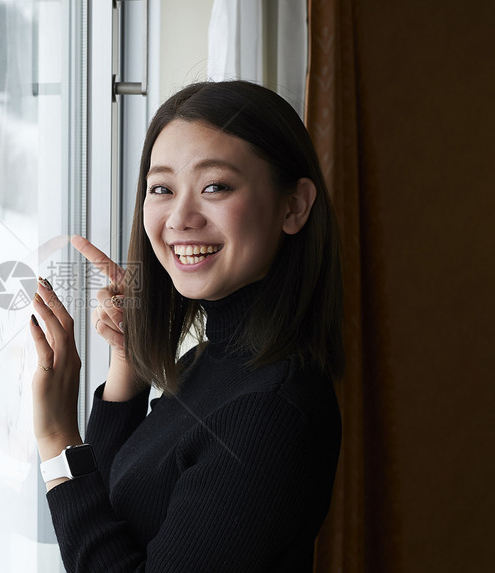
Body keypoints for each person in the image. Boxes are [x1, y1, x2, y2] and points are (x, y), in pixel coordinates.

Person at [28, 80, 344, 572]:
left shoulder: (269, 410)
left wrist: (57, 439)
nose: (179, 217)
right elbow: (116, 510)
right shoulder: (209, 360)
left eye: (214, 186)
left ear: (294, 206)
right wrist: (128, 366)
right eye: (162, 189)